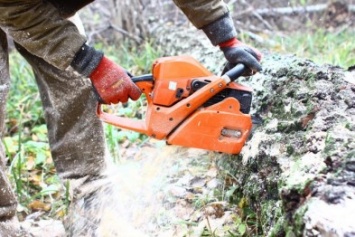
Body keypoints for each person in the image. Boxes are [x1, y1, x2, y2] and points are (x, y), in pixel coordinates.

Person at [0, 0, 262, 236]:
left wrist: (227, 39)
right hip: (15, 5)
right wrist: (92, 63)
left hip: (42, 7)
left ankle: (93, 206)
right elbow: (14, 8)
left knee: (78, 82)